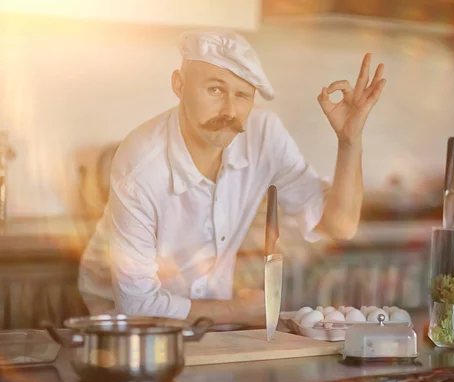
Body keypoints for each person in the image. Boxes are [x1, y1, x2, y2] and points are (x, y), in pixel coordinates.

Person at [78, 30, 386, 326]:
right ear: (179, 84)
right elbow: (136, 307)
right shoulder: (141, 164)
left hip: (209, 318)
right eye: (215, 89)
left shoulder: (264, 134)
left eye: (242, 95)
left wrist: (349, 140)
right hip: (121, 321)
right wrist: (236, 311)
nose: (229, 110)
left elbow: (339, 225)